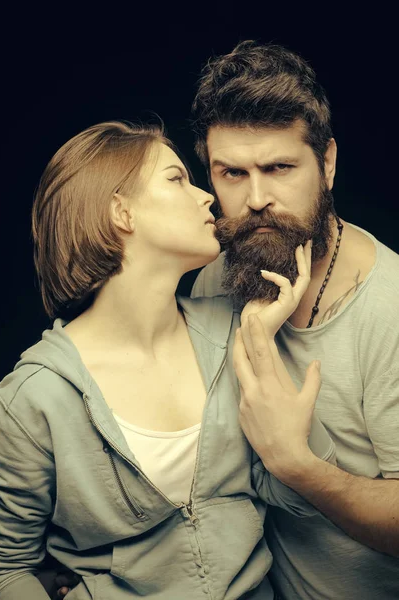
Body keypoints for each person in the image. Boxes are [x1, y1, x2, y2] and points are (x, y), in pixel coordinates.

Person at [0, 120, 335, 600]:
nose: (207, 197)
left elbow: (302, 495)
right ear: (122, 212)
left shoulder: (235, 334)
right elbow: (0, 568)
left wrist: (261, 345)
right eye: (177, 179)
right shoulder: (29, 402)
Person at [189, 40, 399, 599]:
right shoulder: (218, 276)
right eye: (231, 173)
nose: (256, 199)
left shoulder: (391, 309)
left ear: (327, 163)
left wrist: (295, 463)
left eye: (280, 167)